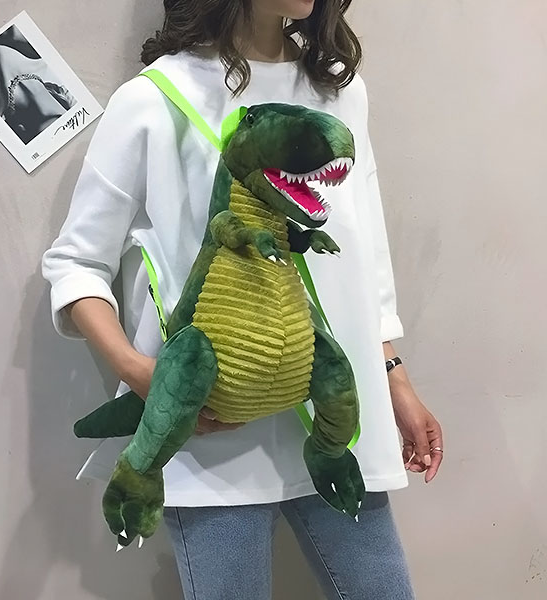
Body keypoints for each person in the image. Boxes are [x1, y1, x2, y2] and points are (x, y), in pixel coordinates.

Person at [41, 1, 444, 598]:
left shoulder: (339, 92)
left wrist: (394, 376)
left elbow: (363, 257)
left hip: (331, 425)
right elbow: (77, 263)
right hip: (210, 442)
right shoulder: (153, 100)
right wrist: (141, 373)